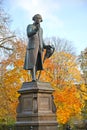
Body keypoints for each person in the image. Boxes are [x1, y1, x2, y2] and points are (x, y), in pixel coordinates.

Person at [24, 14, 46, 81]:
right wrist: (36, 30)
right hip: (32, 46)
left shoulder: (41, 29)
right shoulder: (30, 26)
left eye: (40, 19)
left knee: (37, 62)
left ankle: (35, 77)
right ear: (34, 19)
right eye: (37, 18)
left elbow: (41, 39)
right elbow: (29, 34)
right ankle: (33, 77)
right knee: (32, 62)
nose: (38, 20)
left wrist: (45, 46)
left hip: (40, 47)